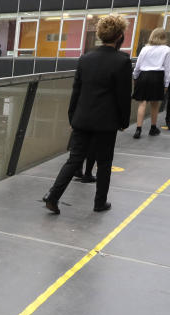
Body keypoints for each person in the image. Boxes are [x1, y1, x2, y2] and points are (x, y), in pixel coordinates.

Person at [43, 14, 131, 215]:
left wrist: (73, 117)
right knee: (104, 163)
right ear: (119, 36)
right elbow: (123, 96)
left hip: (82, 118)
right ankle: (100, 202)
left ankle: (52, 196)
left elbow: (76, 91)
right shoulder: (122, 61)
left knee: (74, 159)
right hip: (106, 122)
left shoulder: (85, 58)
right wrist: (123, 121)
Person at [131, 27, 170, 138]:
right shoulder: (166, 49)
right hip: (157, 77)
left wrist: (135, 77)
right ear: (163, 37)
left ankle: (138, 130)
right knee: (155, 104)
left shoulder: (145, 49)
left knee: (142, 103)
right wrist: (166, 84)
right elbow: (168, 69)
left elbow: (137, 66)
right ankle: (153, 128)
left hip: (143, 76)